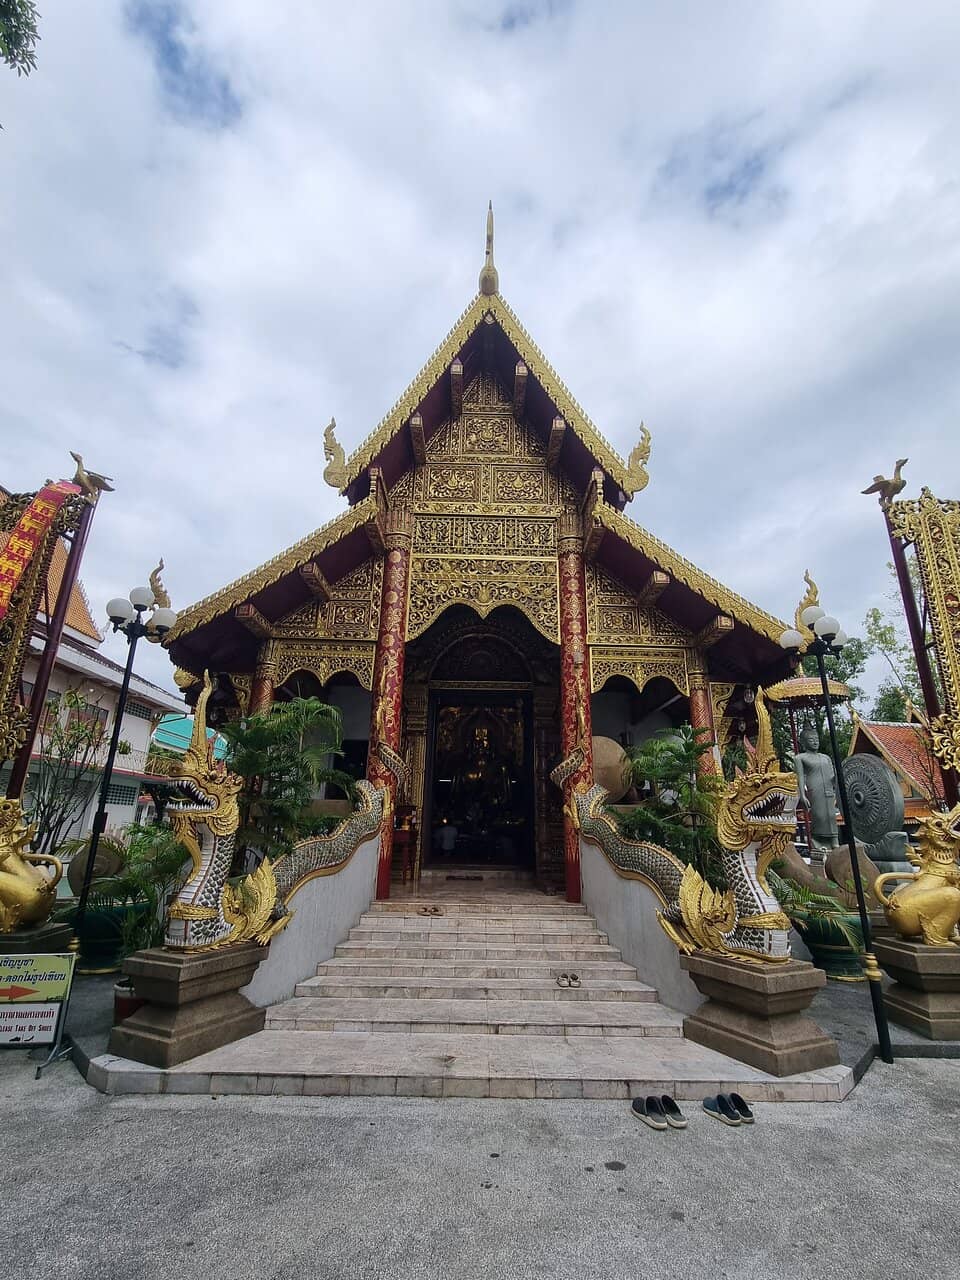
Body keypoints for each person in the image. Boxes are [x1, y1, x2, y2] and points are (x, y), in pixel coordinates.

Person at [794, 724, 839, 862]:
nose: (815, 741)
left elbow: (832, 776)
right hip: (814, 789)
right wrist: (802, 794)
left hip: (828, 789)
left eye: (816, 739)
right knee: (819, 815)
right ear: (804, 742)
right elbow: (800, 777)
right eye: (811, 739)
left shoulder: (826, 758)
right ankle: (818, 840)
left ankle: (834, 840)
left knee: (831, 815)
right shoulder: (800, 758)